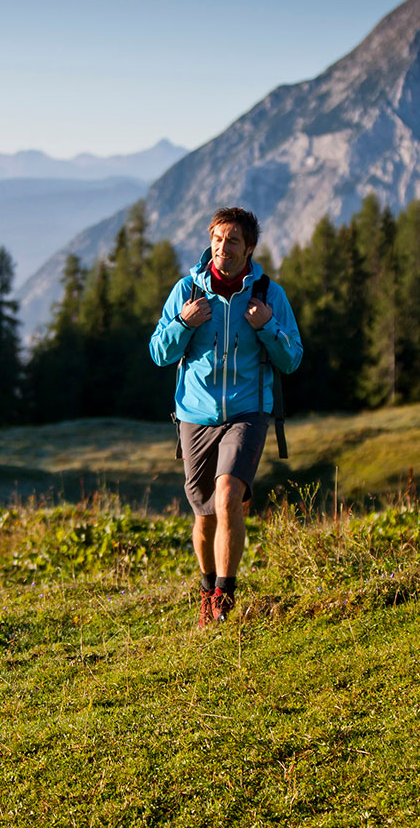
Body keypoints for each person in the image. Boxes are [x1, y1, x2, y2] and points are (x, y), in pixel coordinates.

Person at [148, 206, 302, 626]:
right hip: (195, 415)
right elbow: (159, 352)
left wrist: (268, 326)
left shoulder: (270, 295)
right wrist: (183, 322)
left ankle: (224, 597)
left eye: (232, 241)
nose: (222, 248)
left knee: (229, 496)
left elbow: (291, 360)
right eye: (217, 239)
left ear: (249, 248)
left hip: (247, 411)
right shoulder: (187, 291)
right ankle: (206, 588)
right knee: (205, 515)